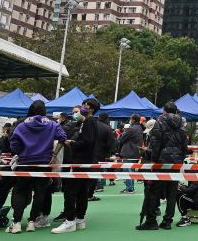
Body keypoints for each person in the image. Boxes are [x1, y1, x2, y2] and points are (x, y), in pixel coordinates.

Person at [7, 100, 66, 233]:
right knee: (40, 193)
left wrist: (21, 151)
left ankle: (16, 223)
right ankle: (32, 222)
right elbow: (62, 137)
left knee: (20, 191)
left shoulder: (21, 126)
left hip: (24, 162)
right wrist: (54, 154)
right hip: (43, 164)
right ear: (44, 111)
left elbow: (14, 144)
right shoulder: (52, 124)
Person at [136, 102, 187, 230]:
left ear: (164, 111)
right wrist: (181, 159)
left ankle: (151, 221)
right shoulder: (181, 122)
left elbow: (156, 141)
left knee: (154, 191)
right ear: (176, 112)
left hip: (161, 160)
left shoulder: (160, 120)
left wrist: (153, 159)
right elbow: (184, 143)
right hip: (176, 161)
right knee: (171, 191)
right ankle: (167, 221)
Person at [52, 97, 100, 234]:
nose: (82, 107)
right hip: (84, 161)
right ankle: (79, 219)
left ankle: (70, 220)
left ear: (91, 108)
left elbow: (88, 142)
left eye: (85, 105)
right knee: (81, 191)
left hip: (80, 161)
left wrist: (72, 143)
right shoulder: (88, 122)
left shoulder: (90, 122)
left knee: (70, 190)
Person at [90, 112, 117, 197]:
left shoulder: (92, 125)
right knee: (97, 173)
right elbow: (110, 143)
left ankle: (88, 192)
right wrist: (111, 153)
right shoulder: (107, 128)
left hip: (88, 153)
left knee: (87, 174)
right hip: (101, 154)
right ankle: (91, 193)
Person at [117, 113, 143, 194]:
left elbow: (121, 139)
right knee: (131, 170)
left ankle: (129, 188)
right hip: (135, 152)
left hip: (128, 152)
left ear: (134, 120)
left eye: (131, 119)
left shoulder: (132, 129)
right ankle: (130, 187)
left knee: (127, 170)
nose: (130, 120)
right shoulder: (139, 128)